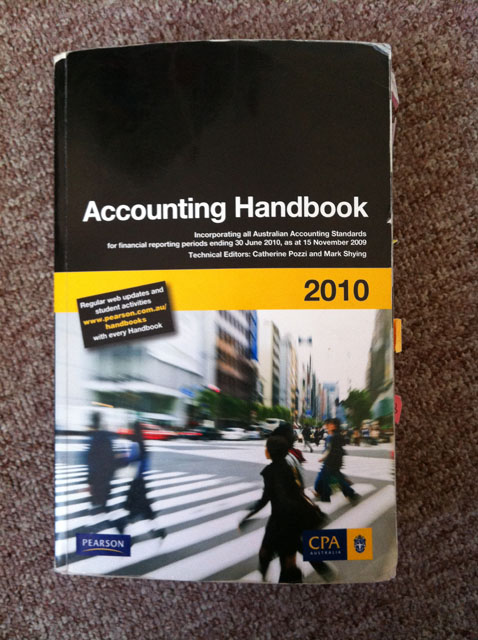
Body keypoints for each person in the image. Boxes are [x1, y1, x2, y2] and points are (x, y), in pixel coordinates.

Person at [240, 435, 322, 583]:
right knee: (286, 558)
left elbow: (265, 499)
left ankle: (273, 581)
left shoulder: (271, 472)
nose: (265, 450)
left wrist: (248, 516)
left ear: (272, 451)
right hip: (291, 521)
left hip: (281, 522)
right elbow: (297, 492)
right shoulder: (289, 468)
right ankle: (315, 571)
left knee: (271, 555)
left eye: (266, 447)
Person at [119, 420, 166, 540]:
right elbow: (145, 465)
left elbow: (130, 459)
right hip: (141, 480)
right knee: (145, 509)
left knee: (133, 508)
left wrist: (123, 457)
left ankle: (127, 534)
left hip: (136, 481)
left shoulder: (135, 444)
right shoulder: (143, 443)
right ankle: (157, 532)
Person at [87, 412, 121, 531]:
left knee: (97, 496)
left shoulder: (93, 437)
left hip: (97, 472)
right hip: (106, 472)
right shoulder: (106, 437)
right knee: (103, 494)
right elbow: (111, 455)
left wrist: (89, 478)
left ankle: (104, 521)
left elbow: (90, 458)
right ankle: (105, 514)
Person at [314, 418, 360, 504]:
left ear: (334, 426)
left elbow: (329, 450)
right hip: (335, 462)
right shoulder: (338, 435)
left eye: (330, 424)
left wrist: (323, 458)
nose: (328, 425)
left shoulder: (332, 436)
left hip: (330, 462)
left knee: (324, 478)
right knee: (337, 478)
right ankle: (351, 494)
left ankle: (322, 494)